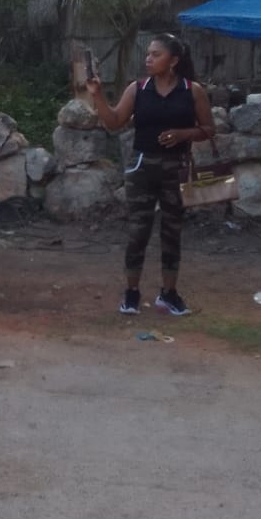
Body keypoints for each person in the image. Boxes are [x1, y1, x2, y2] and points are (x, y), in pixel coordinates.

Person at [86, 34, 214, 317]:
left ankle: (168, 294)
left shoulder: (193, 91)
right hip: (141, 168)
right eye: (148, 54)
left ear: (174, 61)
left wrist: (184, 134)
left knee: (172, 232)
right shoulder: (138, 88)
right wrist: (97, 95)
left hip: (177, 168)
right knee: (137, 231)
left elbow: (209, 129)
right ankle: (132, 292)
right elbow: (114, 123)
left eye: (156, 54)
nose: (148, 59)